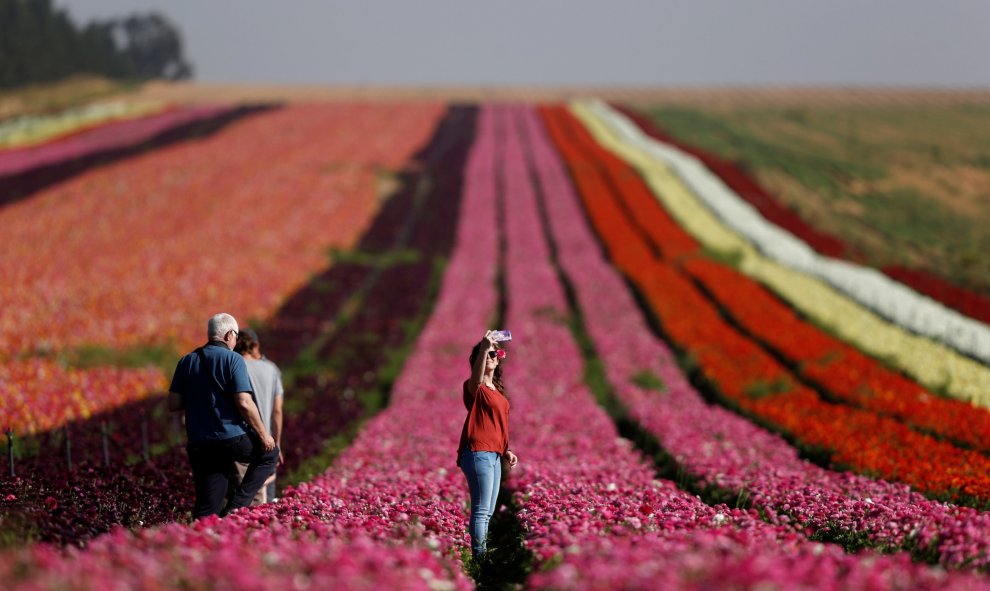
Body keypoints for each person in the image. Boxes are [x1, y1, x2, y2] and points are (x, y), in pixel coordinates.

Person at [167, 313, 279, 519]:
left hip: (199, 442)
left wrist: (200, 399)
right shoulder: (233, 359)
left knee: (208, 506)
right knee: (269, 454)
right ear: (229, 335)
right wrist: (264, 434)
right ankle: (235, 507)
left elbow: (173, 404)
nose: (235, 341)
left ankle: (199, 536)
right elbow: (244, 402)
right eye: (235, 336)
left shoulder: (187, 361)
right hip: (230, 437)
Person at [456, 330, 519, 557]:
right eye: (488, 354)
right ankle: (479, 558)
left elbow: (498, 425)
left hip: (494, 454)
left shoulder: (497, 391)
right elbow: (476, 378)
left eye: (495, 354)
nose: (492, 357)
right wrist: (484, 347)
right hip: (477, 452)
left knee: (489, 511)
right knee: (481, 511)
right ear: (479, 360)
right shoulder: (475, 388)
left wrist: (506, 450)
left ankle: (480, 556)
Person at [231, 327, 284, 504]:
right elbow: (277, 411)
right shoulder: (271, 369)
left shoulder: (233, 365)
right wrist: (277, 444)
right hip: (266, 443)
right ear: (256, 346)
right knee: (264, 500)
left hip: (241, 440)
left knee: (241, 499)